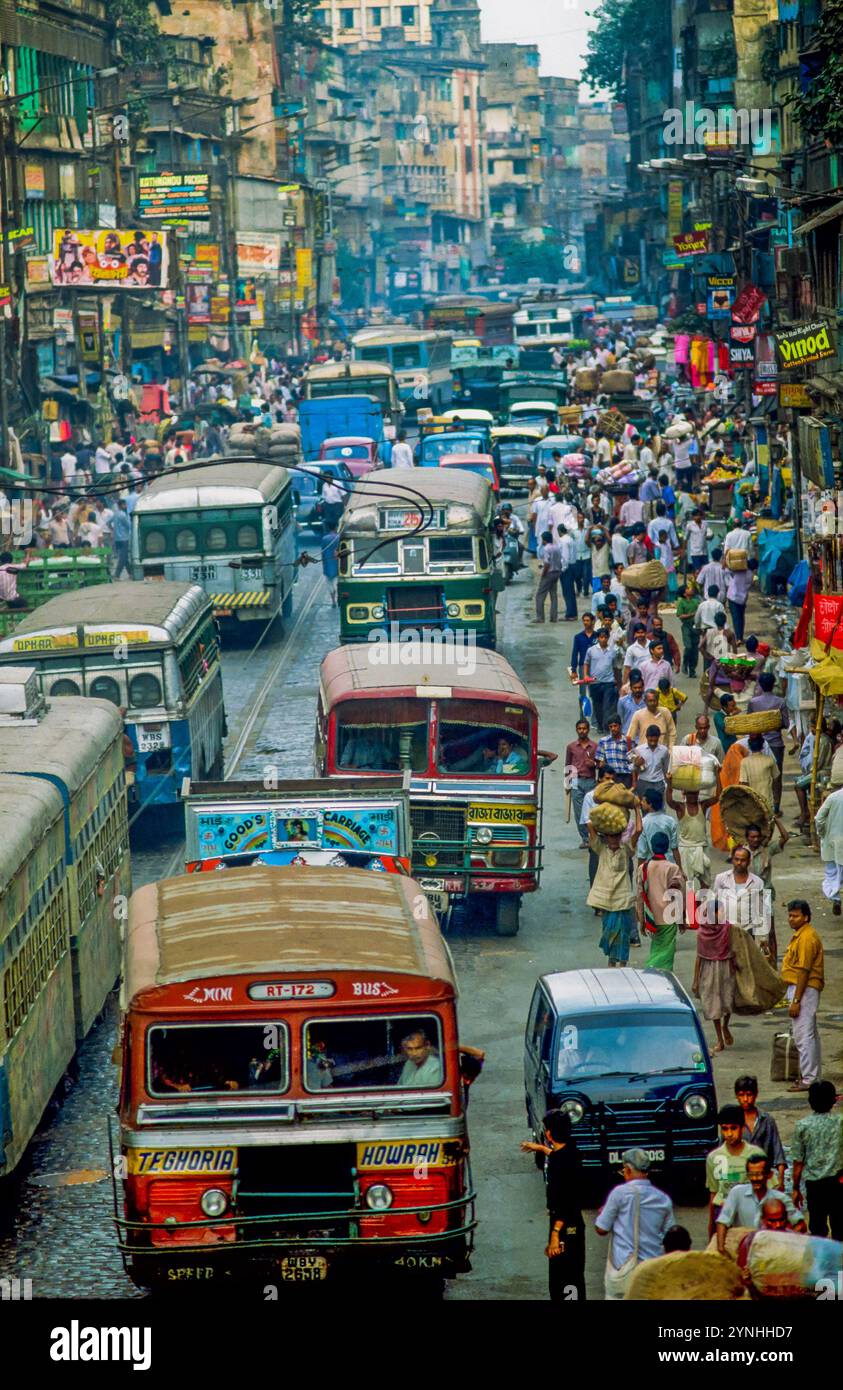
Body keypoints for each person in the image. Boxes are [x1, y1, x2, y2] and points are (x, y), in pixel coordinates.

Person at [520, 1109, 587, 1301]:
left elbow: (564, 1201)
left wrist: (555, 1235)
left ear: (549, 1133)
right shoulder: (571, 1152)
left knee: (564, 1279)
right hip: (574, 1223)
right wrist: (540, 1148)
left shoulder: (559, 1166)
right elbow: (559, 1156)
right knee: (573, 1275)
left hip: (564, 1226)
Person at [595, 1148, 675, 1299]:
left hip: (624, 1270)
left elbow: (601, 1229)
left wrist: (607, 1213)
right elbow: (670, 1236)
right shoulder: (663, 1199)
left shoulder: (619, 1194)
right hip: (652, 1270)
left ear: (628, 1169)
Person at [588, 804, 642, 964]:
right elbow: (590, 824)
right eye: (610, 836)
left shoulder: (626, 850)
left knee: (623, 935)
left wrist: (637, 808)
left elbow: (638, 830)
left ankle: (623, 964)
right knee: (609, 934)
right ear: (605, 836)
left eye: (616, 836)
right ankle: (611, 963)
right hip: (606, 901)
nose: (613, 840)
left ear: (620, 836)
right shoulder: (600, 848)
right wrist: (607, 811)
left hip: (623, 900)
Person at [715, 1155, 804, 1252]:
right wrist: (721, 1248)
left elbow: (800, 1225)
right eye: (751, 1174)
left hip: (773, 1250)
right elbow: (723, 1221)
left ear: (769, 1175)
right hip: (744, 1248)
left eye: (759, 1174)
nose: (755, 1178)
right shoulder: (736, 1193)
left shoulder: (781, 1198)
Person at [790, 1079, 843, 1240]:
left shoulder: (802, 1126)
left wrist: (795, 1188)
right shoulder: (840, 1122)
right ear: (834, 1100)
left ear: (810, 1101)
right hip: (838, 1183)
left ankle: (822, 1261)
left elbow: (798, 1161)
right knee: (840, 1226)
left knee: (818, 1228)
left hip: (814, 1186)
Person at [781, 899, 824, 1091]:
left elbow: (804, 971)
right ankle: (813, 1076)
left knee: (803, 1035)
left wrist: (796, 1001)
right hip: (802, 988)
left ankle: (808, 1078)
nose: (791, 919)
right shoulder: (802, 935)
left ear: (805, 917)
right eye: (790, 915)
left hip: (804, 989)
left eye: (795, 916)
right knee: (809, 1034)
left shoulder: (807, 938)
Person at [705, 1105, 767, 1235]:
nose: (729, 1134)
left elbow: (767, 1190)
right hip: (722, 1211)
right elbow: (714, 1192)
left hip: (748, 1211)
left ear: (742, 1128)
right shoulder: (714, 1157)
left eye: (733, 1128)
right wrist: (711, 1225)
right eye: (724, 1129)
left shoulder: (755, 1154)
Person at [636, 831, 686, 970]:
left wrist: (641, 920)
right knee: (666, 952)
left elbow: (640, 895)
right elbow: (679, 896)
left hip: (651, 916)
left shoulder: (643, 868)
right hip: (668, 917)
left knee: (657, 947)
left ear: (651, 847)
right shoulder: (673, 868)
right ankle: (654, 971)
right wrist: (682, 920)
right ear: (667, 847)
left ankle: (653, 972)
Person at [745, 820, 788, 964]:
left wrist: (775, 820)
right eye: (752, 837)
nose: (755, 839)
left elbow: (785, 838)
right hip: (748, 895)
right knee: (749, 931)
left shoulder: (768, 850)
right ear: (747, 838)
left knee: (770, 931)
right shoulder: (742, 852)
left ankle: (772, 963)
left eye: (757, 836)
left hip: (766, 894)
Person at [733, 1075, 786, 1189]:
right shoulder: (731, 1123)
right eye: (741, 1095)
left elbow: (778, 1153)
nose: (745, 1099)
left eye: (749, 1095)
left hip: (763, 1180)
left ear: (756, 1094)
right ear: (737, 1096)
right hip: (739, 1181)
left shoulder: (766, 1121)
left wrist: (781, 1181)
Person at [748, 672, 789, 813]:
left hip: (757, 744)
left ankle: (758, 805)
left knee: (756, 774)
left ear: (760, 685)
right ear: (773, 685)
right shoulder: (781, 702)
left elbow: (750, 722)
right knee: (777, 776)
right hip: (775, 743)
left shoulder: (753, 702)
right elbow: (786, 723)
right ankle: (776, 807)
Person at [565, 718, 598, 848]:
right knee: (579, 812)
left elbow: (601, 763)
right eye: (579, 729)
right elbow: (567, 765)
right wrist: (567, 784)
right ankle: (585, 838)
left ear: (588, 730)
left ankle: (593, 836)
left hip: (590, 780)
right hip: (575, 780)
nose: (582, 731)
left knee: (591, 811)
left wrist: (594, 764)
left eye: (584, 728)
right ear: (576, 730)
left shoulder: (595, 746)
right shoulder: (571, 747)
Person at [814, 783, 843, 914]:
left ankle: (835, 896)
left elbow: (819, 818)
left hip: (831, 842)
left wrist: (822, 833)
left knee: (831, 874)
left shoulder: (833, 797)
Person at [583, 626, 617, 734]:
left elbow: (615, 666)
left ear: (608, 638)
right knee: (597, 705)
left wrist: (617, 680)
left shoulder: (613, 651)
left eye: (605, 637)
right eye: (601, 637)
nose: (603, 639)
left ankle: (606, 727)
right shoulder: (591, 650)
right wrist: (585, 675)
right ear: (598, 638)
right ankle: (600, 725)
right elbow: (586, 663)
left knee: (607, 706)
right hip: (595, 682)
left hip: (608, 682)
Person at [738, 734, 777, 812]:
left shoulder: (744, 762)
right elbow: (776, 779)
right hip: (767, 801)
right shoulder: (770, 760)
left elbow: (743, 783)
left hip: (752, 802)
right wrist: (776, 798)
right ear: (763, 745)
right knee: (768, 822)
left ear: (749, 746)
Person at [632, 724, 670, 803]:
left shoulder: (664, 750)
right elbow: (632, 768)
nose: (652, 743)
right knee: (644, 807)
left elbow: (666, 768)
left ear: (659, 738)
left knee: (659, 808)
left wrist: (669, 785)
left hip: (658, 783)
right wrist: (636, 764)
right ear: (646, 737)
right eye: (650, 741)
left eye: (655, 741)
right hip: (643, 782)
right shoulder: (639, 750)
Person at [595, 715, 633, 785]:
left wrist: (634, 780)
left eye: (615, 726)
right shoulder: (603, 741)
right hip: (610, 776)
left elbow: (632, 762)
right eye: (611, 727)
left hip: (625, 776)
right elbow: (599, 762)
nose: (613, 728)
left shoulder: (627, 741)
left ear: (620, 726)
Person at [726, 556, 756, 641]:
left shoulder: (738, 571)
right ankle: (740, 636)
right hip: (742, 599)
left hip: (732, 597)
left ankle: (738, 638)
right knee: (741, 618)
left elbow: (728, 571)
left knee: (736, 618)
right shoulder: (750, 575)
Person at [617, 672, 646, 736]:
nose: (637, 690)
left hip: (644, 736)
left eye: (639, 687)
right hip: (627, 735)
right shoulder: (622, 701)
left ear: (643, 687)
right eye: (635, 688)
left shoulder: (648, 701)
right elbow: (619, 719)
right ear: (631, 688)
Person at [111, 499, 132, 579]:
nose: (125, 506)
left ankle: (131, 573)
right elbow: (128, 526)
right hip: (124, 538)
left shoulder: (115, 514)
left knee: (124, 556)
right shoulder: (123, 515)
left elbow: (108, 522)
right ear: (120, 506)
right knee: (123, 557)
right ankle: (117, 574)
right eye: (124, 505)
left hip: (117, 539)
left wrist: (112, 530)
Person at [321, 525, 339, 606]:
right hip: (338, 565)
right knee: (337, 584)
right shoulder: (339, 537)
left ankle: (333, 601)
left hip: (328, 565)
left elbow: (323, 553)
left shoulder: (325, 539)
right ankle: (338, 599)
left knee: (330, 584)